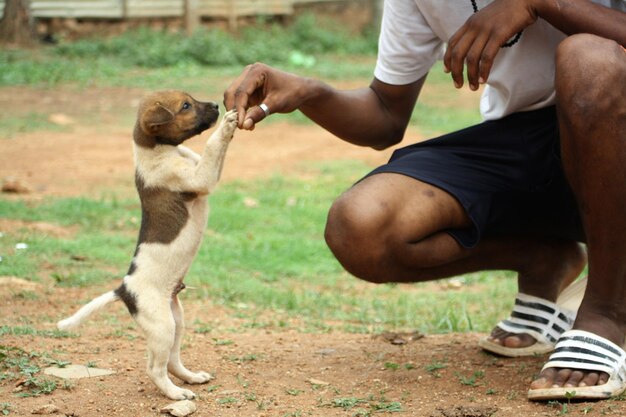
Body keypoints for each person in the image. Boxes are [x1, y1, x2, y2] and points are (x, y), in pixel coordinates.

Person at [224, 0, 626, 401]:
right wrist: (310, 93)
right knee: (361, 226)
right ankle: (543, 257)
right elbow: (385, 114)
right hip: (523, 138)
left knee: (588, 58)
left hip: (614, 127)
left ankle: (608, 311)